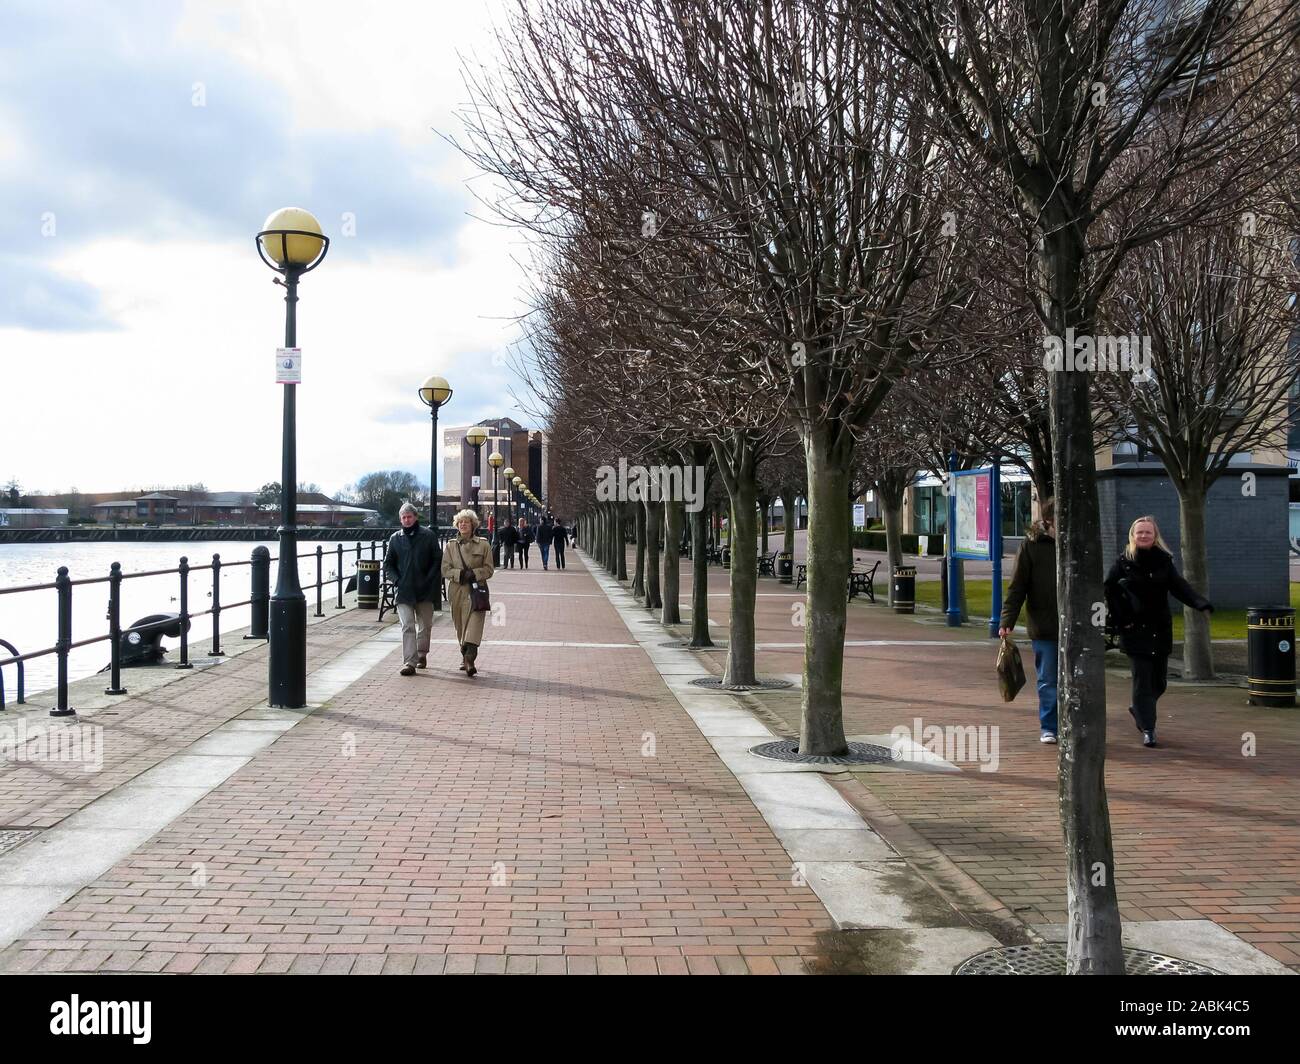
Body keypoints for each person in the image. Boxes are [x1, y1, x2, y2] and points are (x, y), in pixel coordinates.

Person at [1104, 515, 1213, 748]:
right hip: (1134, 630)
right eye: (1139, 532)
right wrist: (1122, 620)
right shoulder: (1123, 563)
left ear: (1155, 536)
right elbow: (1110, 592)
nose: (1143, 536)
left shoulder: (1164, 561)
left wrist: (1199, 602)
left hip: (1160, 629)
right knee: (1142, 681)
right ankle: (1149, 729)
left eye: (1148, 532)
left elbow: (1179, 586)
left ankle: (1139, 708)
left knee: (1159, 683)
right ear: (1133, 536)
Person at [997, 498, 1059, 744]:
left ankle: (1073, 723)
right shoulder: (1032, 546)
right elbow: (1018, 586)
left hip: (1076, 626)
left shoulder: (1080, 543)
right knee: (1049, 680)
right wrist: (1007, 619)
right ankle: (1050, 726)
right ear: (1049, 518)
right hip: (1045, 624)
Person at [384, 502, 442, 677]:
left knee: (425, 625)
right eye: (403, 517)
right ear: (400, 519)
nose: (407, 520)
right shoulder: (395, 539)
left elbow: (437, 560)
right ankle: (410, 661)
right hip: (404, 590)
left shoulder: (428, 536)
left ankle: (422, 654)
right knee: (407, 626)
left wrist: (429, 579)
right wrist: (397, 580)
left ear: (416, 517)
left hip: (425, 589)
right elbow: (388, 564)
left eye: (409, 517)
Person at [442, 508, 495, 677]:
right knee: (460, 626)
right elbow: (444, 569)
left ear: (473, 525)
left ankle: (470, 659)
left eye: (466, 521)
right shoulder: (450, 546)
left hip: (476, 591)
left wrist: (475, 574)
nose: (463, 524)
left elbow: (489, 569)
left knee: (474, 625)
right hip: (457, 590)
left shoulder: (484, 544)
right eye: (460, 522)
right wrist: (459, 575)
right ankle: (464, 656)